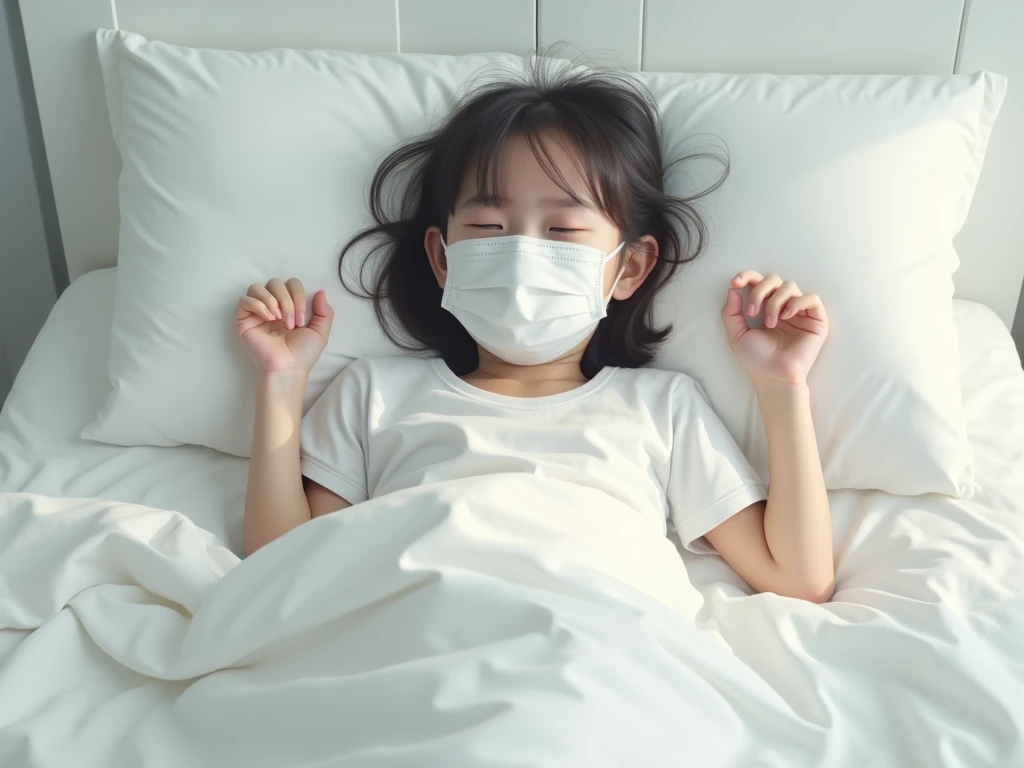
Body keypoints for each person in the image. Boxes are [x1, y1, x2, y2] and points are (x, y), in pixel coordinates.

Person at [234, 64, 835, 603]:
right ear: (442, 259)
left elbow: (797, 579)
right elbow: (276, 565)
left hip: (597, 639)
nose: (521, 253)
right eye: (488, 225)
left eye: (563, 230)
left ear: (629, 267)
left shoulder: (663, 407)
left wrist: (782, 384)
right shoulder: (374, 391)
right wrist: (282, 380)